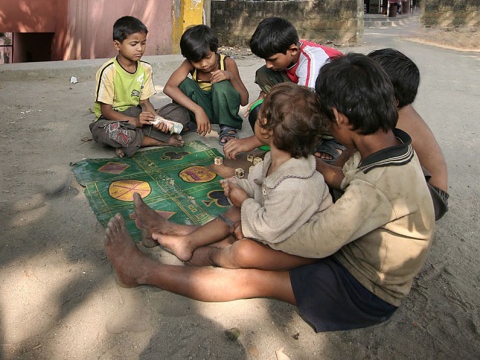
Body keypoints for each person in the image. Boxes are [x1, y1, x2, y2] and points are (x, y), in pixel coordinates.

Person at [104, 53, 435, 332]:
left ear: (340, 118)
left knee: (249, 271)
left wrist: (250, 223)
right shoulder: (388, 147)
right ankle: (175, 234)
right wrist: (312, 173)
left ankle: (142, 271)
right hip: (347, 250)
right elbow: (348, 181)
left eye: (327, 123)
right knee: (245, 237)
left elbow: (320, 239)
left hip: (362, 289)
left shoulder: (377, 186)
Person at [148, 82, 332, 268]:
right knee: (236, 214)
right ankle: (186, 241)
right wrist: (237, 185)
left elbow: (269, 229)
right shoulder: (275, 159)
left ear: (266, 126)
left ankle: (193, 250)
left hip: (297, 246)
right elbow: (257, 184)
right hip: (278, 225)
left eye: (263, 106)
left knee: (243, 243)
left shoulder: (296, 185)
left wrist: (244, 201)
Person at [330, 48, 449, 220]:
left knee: (353, 188)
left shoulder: (391, 121)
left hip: (432, 196)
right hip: (423, 185)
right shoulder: (393, 109)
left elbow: (357, 154)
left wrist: (331, 171)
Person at [223, 16, 343, 162]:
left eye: (272, 60)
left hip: (336, 107)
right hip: (306, 94)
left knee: (301, 121)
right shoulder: (289, 50)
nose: (268, 64)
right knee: (264, 74)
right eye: (265, 59)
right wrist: (265, 95)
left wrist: (255, 140)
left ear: (292, 50)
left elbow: (304, 107)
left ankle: (333, 141)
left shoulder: (312, 63)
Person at [90, 16, 188, 158]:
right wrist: (135, 122)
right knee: (101, 131)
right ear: (117, 45)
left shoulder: (145, 68)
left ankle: (131, 142)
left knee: (181, 112)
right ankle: (157, 141)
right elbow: (106, 111)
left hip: (138, 115)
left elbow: (145, 103)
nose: (140, 49)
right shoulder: (108, 71)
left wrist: (159, 121)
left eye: (143, 43)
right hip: (115, 119)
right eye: (134, 44)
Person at [163, 24, 249, 146]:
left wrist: (231, 77)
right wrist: (198, 111)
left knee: (221, 85)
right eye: (197, 60)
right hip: (201, 112)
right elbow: (169, 87)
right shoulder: (189, 64)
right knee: (183, 83)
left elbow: (244, 100)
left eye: (208, 57)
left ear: (215, 50)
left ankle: (228, 127)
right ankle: (190, 121)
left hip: (223, 112)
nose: (203, 64)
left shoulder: (227, 62)